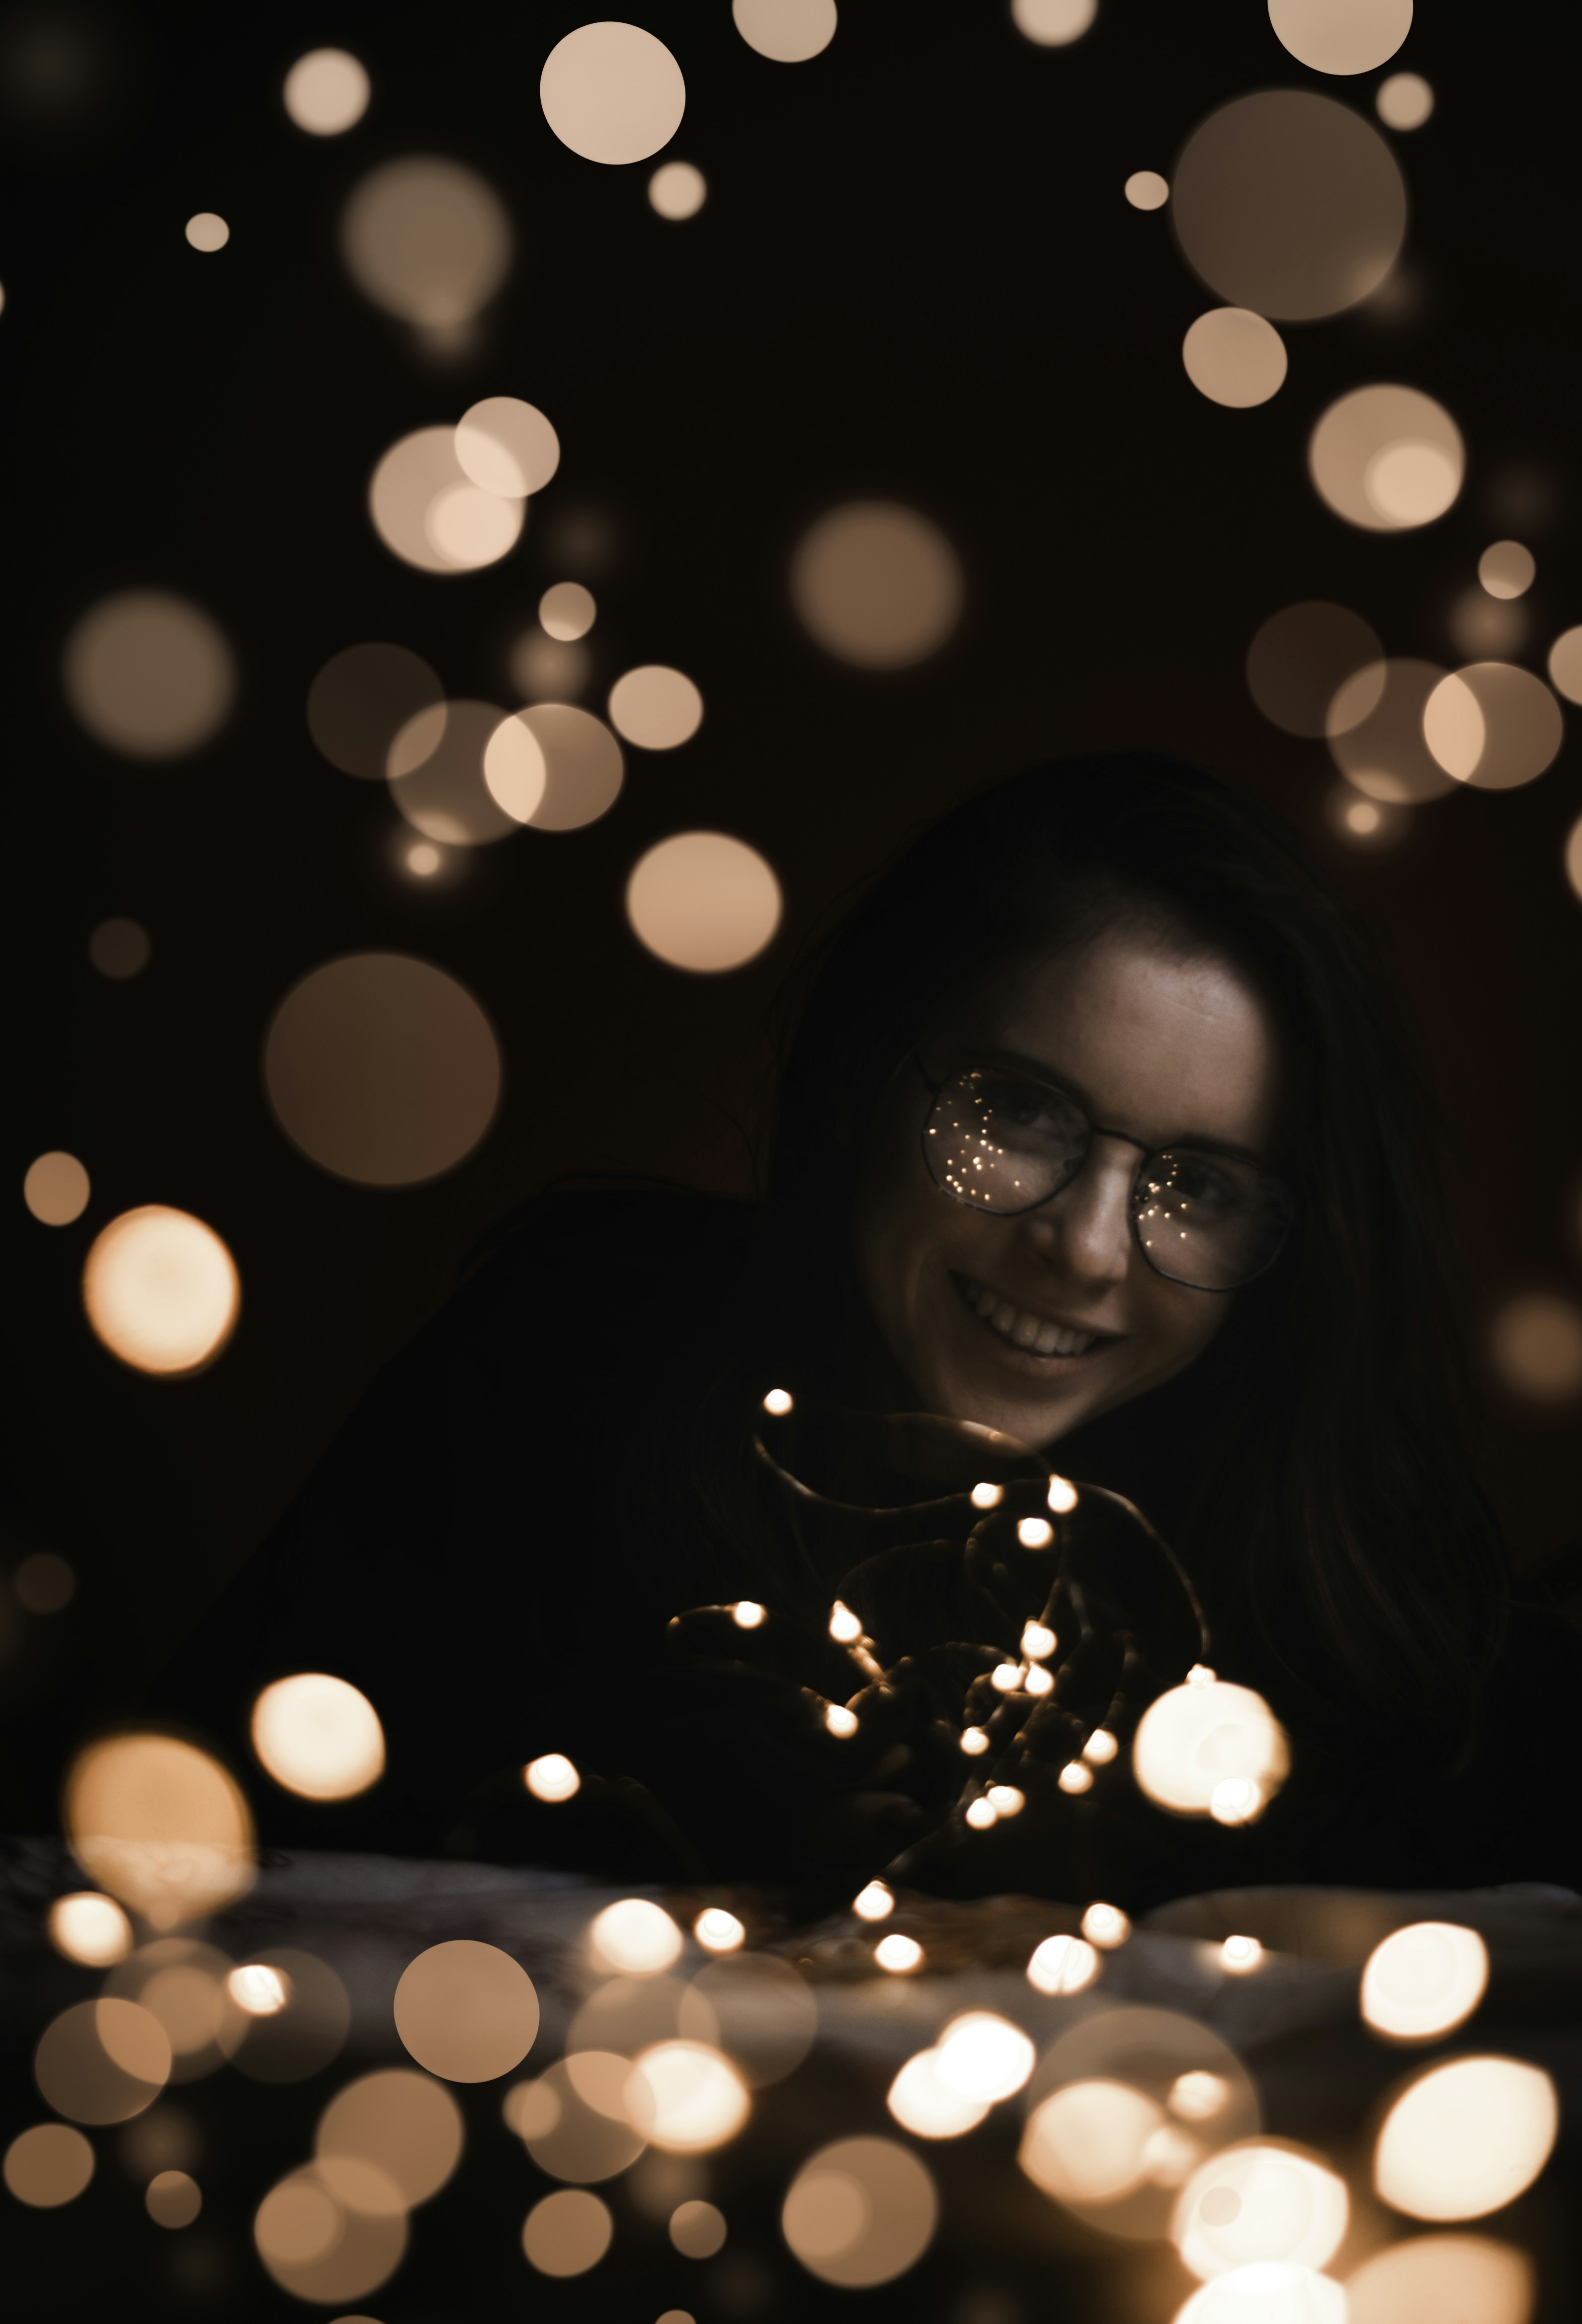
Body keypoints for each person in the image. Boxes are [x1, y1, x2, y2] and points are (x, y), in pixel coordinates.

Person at [156, 751, 1582, 1905]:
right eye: (1017, 1112)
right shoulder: (570, 1363)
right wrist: (583, 1807)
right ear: (864, 1078)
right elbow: (191, 1818)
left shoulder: (1332, 1562)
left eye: (1197, 1187)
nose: (1082, 1250)